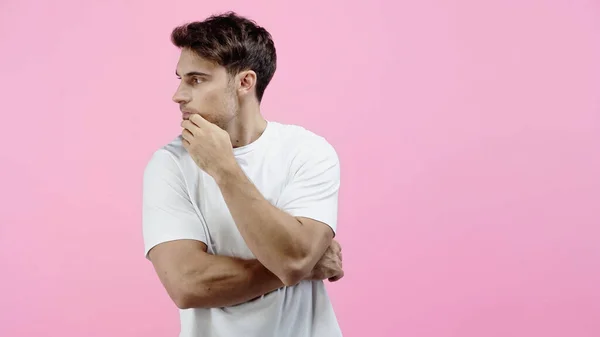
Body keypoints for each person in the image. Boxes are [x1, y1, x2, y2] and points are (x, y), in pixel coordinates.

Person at [141, 11, 344, 337]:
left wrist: (224, 168)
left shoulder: (307, 152)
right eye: (180, 79)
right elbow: (188, 284)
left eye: (196, 79)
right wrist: (306, 266)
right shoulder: (169, 164)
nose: (178, 95)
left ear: (245, 82)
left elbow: (293, 260)